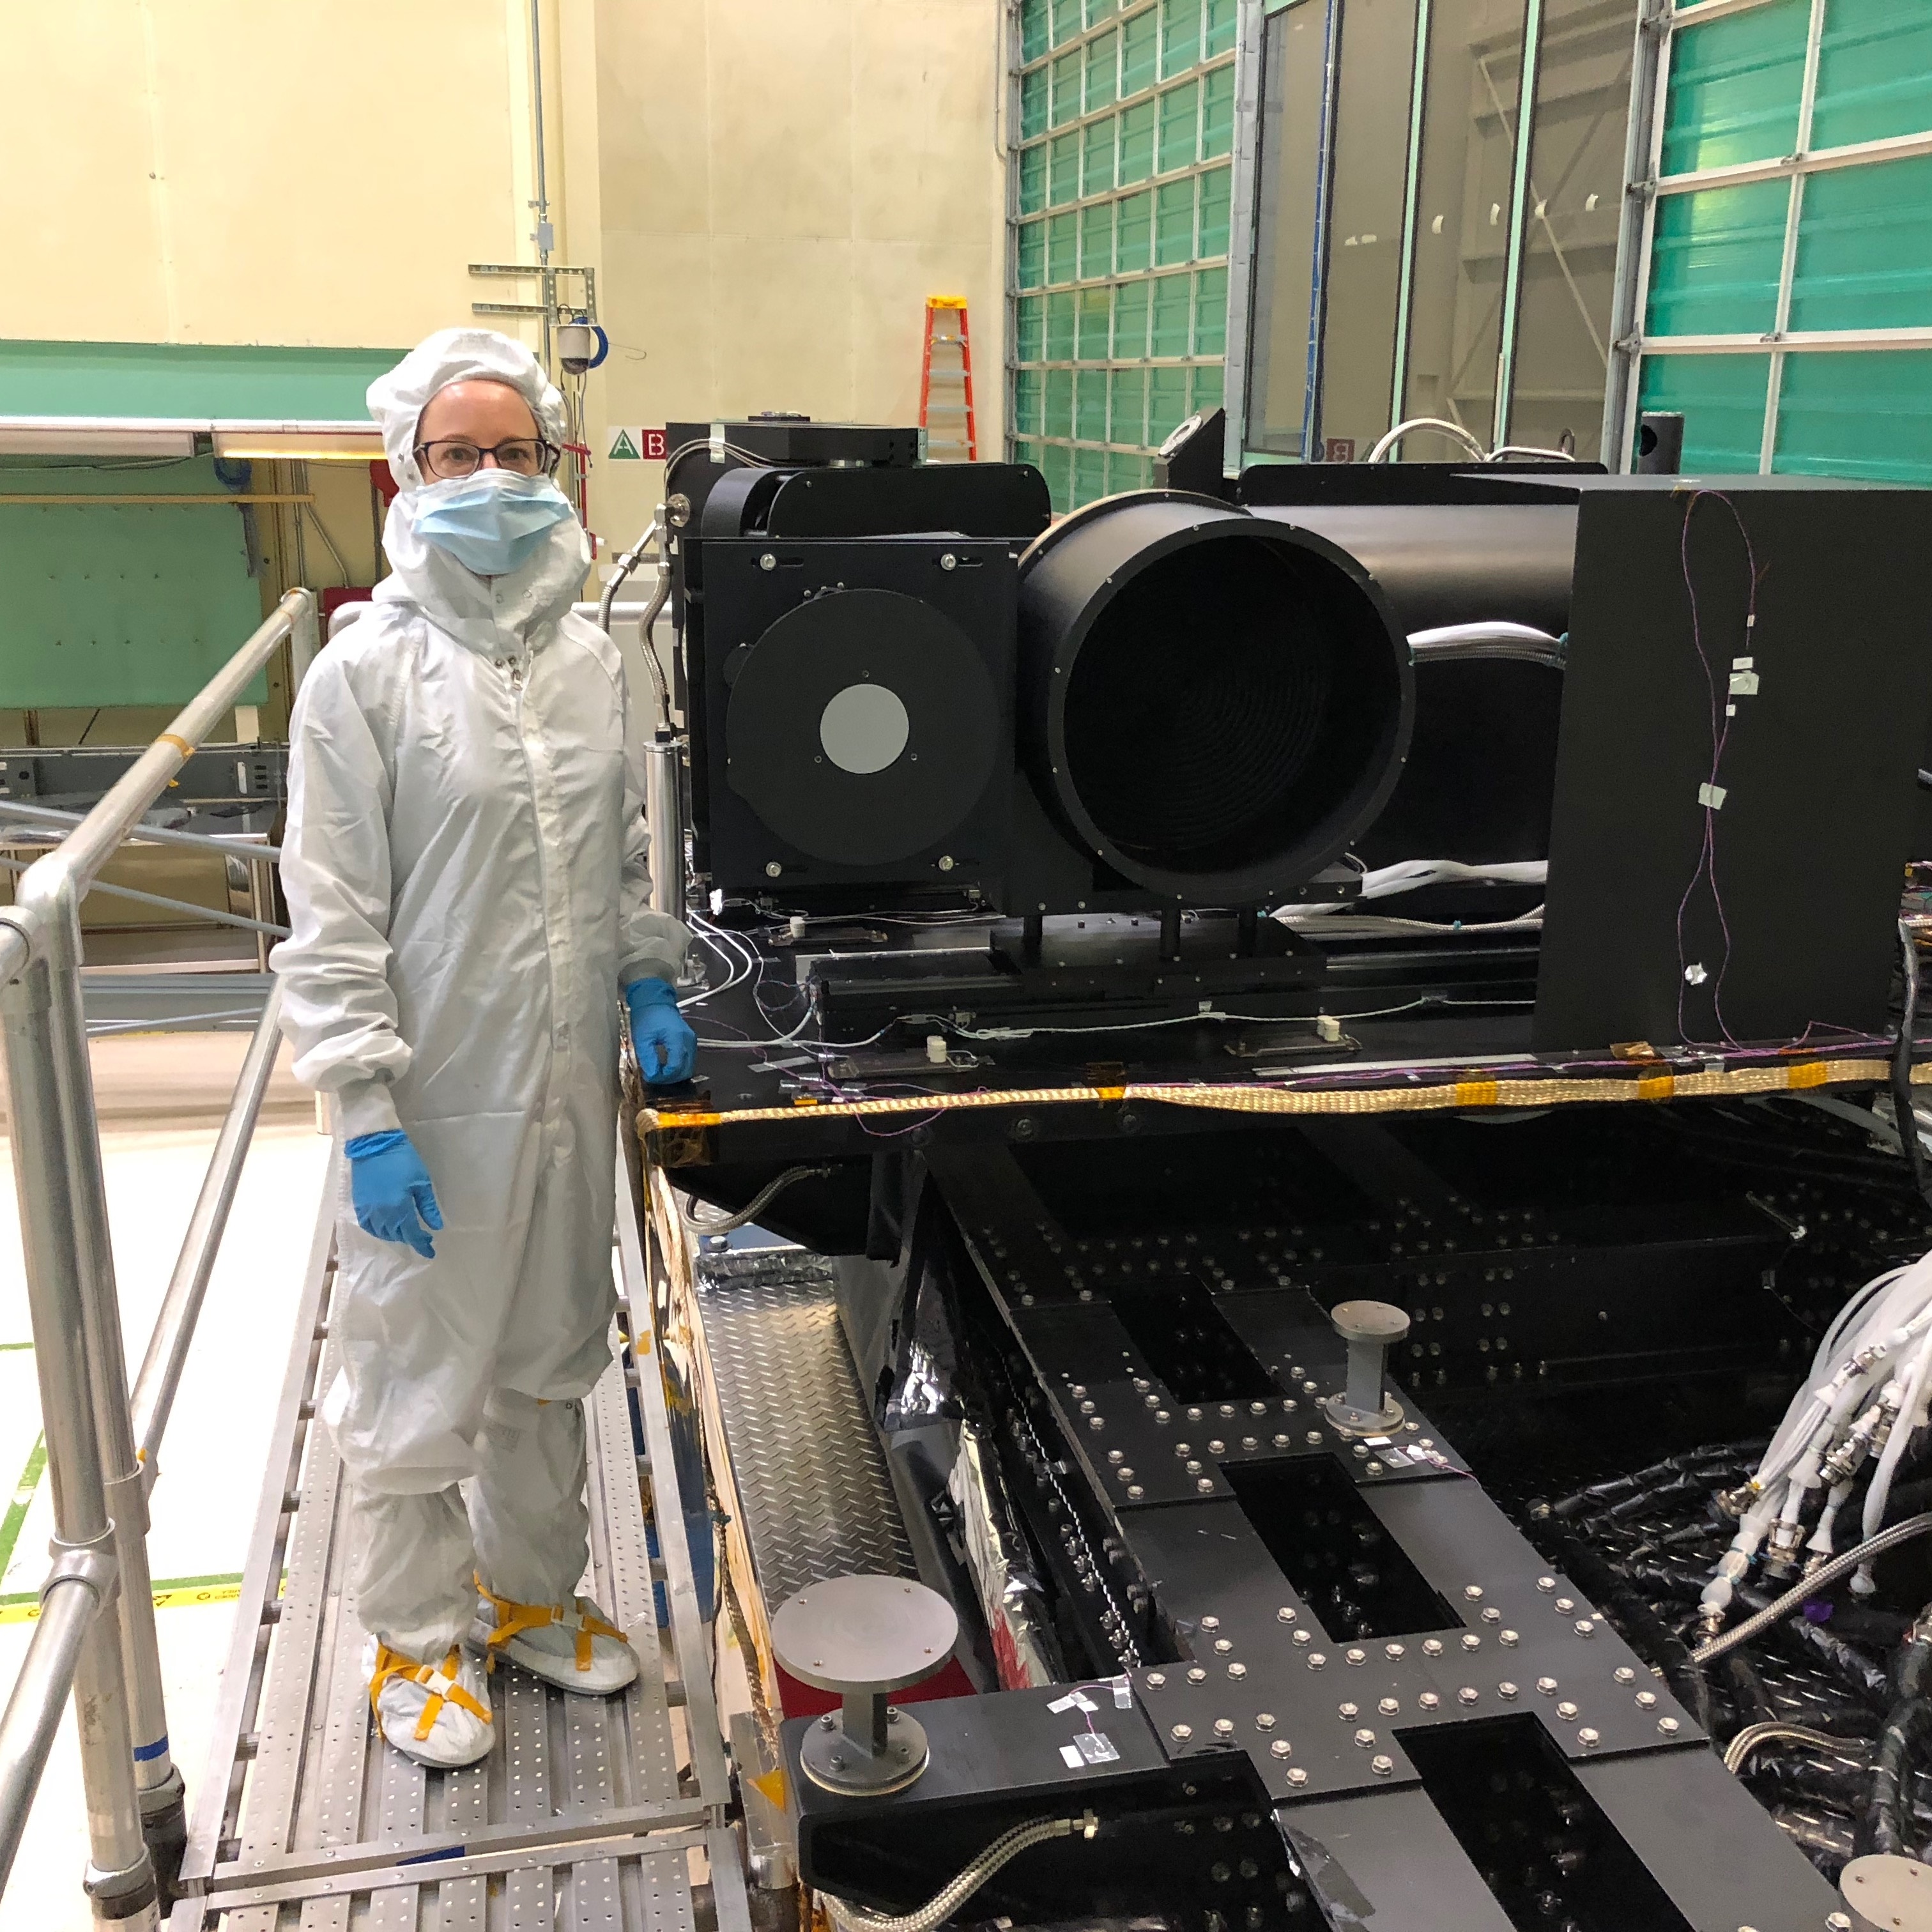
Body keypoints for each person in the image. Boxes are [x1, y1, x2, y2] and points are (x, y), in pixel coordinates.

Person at [272, 328, 698, 1768]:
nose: (493, 479)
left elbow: (622, 847)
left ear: (555, 466)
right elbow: (332, 912)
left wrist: (647, 981)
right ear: (409, 471)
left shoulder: (589, 661)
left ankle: (529, 1599)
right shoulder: (363, 677)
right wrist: (363, 1108)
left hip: (568, 1087)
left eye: (517, 453)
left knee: (547, 1358)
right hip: (434, 1099)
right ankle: (416, 1640)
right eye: (459, 455)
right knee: (415, 1377)